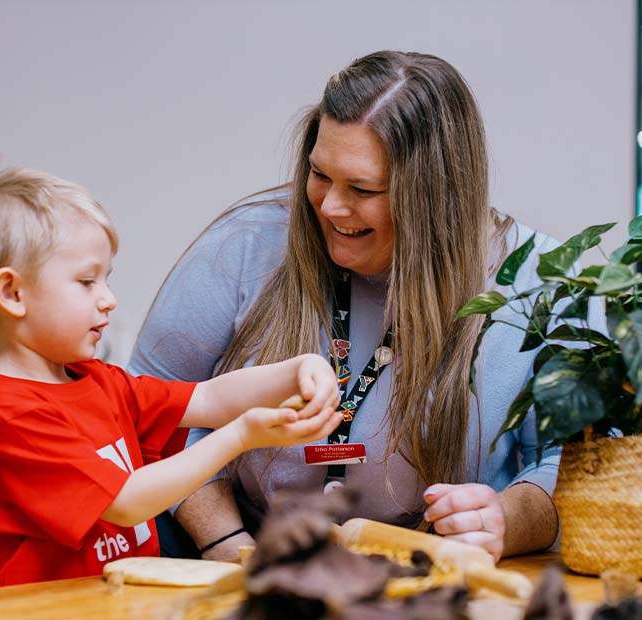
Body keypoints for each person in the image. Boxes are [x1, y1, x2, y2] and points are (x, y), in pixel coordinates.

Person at [128, 50, 561, 564]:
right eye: (319, 175)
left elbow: (573, 464)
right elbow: (143, 411)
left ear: (435, 197)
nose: (330, 206)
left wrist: (503, 522)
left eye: (363, 188)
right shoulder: (244, 244)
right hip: (249, 555)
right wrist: (227, 544)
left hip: (434, 573)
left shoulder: (535, 278)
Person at [0, 162, 342, 589]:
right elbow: (125, 502)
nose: (108, 300)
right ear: (12, 293)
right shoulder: (1, 410)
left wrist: (299, 369)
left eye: (106, 280)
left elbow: (206, 399)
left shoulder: (99, 381)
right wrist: (240, 436)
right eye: (86, 281)